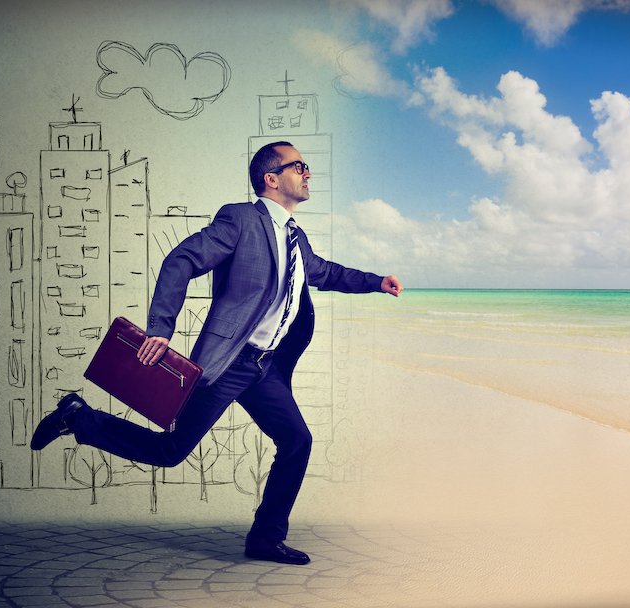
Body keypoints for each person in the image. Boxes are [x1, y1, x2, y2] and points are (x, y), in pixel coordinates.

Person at [31, 141, 402, 565]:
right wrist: (161, 329)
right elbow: (181, 259)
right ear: (271, 178)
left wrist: (376, 281)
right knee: (170, 451)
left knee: (297, 441)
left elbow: (325, 273)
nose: (308, 173)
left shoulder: (295, 237)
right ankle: (78, 417)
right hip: (229, 363)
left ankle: (265, 539)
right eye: (299, 166)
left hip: (266, 368)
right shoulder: (240, 220)